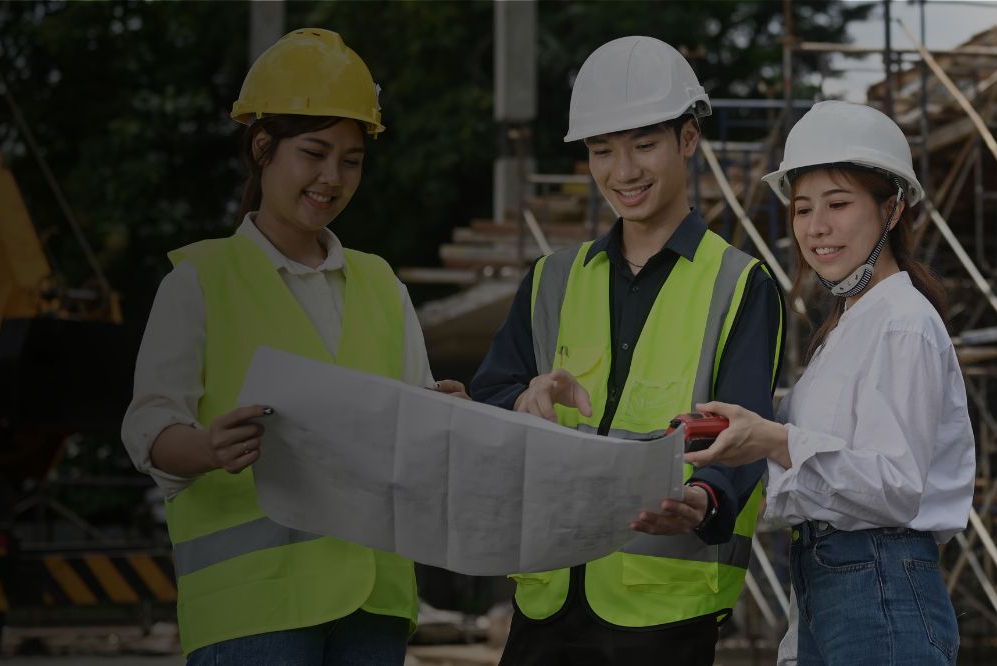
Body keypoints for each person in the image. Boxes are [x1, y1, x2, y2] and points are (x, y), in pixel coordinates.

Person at [119, 28, 463, 664]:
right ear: (262, 148)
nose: (332, 177)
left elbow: (410, 426)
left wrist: (442, 414)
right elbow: (148, 426)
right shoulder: (199, 282)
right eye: (313, 152)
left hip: (373, 604)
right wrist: (207, 446)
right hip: (253, 612)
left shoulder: (380, 283)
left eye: (351, 159)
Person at [467, 35, 785, 665]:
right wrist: (522, 400)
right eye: (601, 150)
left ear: (688, 139)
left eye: (643, 145)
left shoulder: (739, 284)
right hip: (548, 598)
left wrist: (704, 499)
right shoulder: (552, 280)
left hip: (663, 613)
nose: (623, 171)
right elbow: (491, 399)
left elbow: (743, 438)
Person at [686, 101, 976, 665]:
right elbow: (819, 479)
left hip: (880, 578)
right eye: (801, 209)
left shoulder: (903, 323)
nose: (816, 227)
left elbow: (895, 485)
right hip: (829, 576)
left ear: (891, 210)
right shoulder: (843, 328)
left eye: (838, 204)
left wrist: (772, 439)